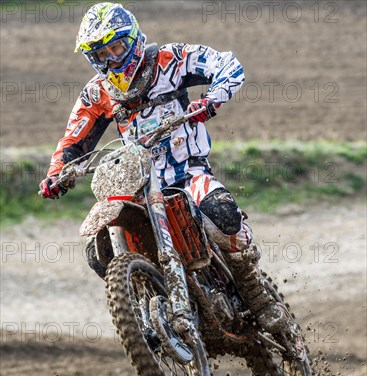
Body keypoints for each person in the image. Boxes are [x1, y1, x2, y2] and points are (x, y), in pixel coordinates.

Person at [39, 2, 285, 333]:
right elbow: (73, 141)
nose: (111, 59)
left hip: (188, 172)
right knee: (99, 250)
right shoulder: (97, 93)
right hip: (139, 183)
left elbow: (228, 65)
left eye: (116, 47)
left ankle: (253, 288)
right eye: (101, 55)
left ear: (134, 38)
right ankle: (146, 305)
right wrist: (57, 174)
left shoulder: (170, 60)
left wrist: (212, 99)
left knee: (221, 212)